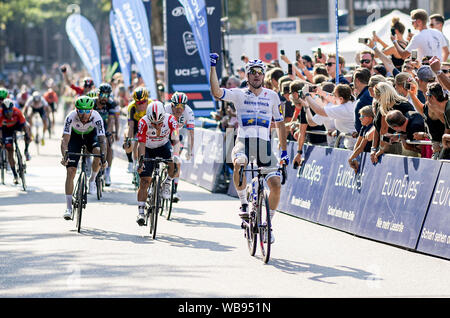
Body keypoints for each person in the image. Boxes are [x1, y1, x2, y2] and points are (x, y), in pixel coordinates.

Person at [209, 53, 288, 243]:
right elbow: (217, 92)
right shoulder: (239, 93)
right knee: (240, 162)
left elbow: (280, 124)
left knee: (276, 184)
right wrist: (213, 68)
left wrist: (284, 151)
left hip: (264, 145)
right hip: (244, 140)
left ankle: (268, 225)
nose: (256, 75)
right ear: (247, 75)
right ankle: (244, 203)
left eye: (260, 72)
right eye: (252, 72)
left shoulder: (273, 96)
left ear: (264, 75)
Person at [60, 96, 107, 220]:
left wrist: (104, 158)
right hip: (75, 138)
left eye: (87, 111)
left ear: (91, 110)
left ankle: (92, 179)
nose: (84, 114)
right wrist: (65, 155)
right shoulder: (70, 117)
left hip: (90, 136)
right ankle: (68, 207)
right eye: (81, 111)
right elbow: (65, 139)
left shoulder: (97, 117)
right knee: (71, 171)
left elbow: (102, 140)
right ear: (76, 110)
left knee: (97, 151)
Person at [136, 101, 180, 226]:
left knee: (174, 164)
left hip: (163, 146)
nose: (156, 126)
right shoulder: (143, 122)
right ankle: (141, 212)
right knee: (144, 181)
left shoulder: (171, 120)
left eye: (159, 123)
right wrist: (141, 162)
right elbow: (141, 144)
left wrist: (176, 156)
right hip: (148, 149)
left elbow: (176, 140)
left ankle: (167, 182)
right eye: (153, 124)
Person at [164, 92, 195, 202]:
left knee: (177, 160)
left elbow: (191, 133)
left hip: (178, 135)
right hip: (165, 134)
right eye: (177, 106)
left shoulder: (189, 112)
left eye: (182, 106)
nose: (179, 109)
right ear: (172, 105)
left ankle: (174, 190)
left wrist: (190, 150)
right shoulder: (165, 109)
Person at [92, 83, 120, 186]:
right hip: (92, 126)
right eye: (102, 95)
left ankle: (108, 172)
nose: (104, 98)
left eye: (107, 95)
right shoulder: (93, 103)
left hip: (105, 126)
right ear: (98, 94)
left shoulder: (112, 104)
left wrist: (113, 132)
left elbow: (113, 120)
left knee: (108, 146)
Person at [0, 99, 32, 183]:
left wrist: (27, 136)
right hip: (5, 131)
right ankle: (15, 175)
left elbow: (24, 125)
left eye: (10, 110)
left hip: (16, 126)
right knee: (10, 150)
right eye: (6, 111)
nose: (8, 113)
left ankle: (26, 150)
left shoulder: (17, 112)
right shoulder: (0, 114)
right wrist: (1, 140)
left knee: (28, 128)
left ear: (12, 109)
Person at [124, 87, 152, 173]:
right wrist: (128, 139)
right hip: (136, 124)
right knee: (129, 140)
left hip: (148, 124)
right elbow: (131, 126)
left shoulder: (152, 105)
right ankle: (131, 162)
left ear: (147, 100)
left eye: (143, 102)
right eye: (138, 103)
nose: (141, 105)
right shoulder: (131, 107)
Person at [425, 82, 450, 159]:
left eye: (427, 95)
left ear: (432, 97)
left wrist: (445, 137)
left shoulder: (449, 110)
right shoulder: (446, 109)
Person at [348, 106, 374, 173]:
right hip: (366, 154)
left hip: (371, 155)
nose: (360, 118)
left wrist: (350, 159)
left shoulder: (371, 127)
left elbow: (361, 147)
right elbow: (357, 143)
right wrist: (354, 158)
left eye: (362, 116)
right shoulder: (364, 127)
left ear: (370, 118)